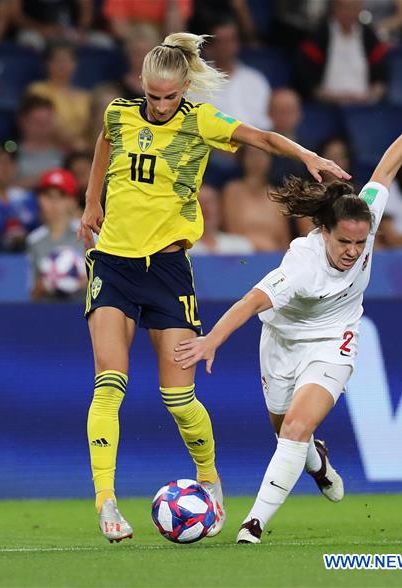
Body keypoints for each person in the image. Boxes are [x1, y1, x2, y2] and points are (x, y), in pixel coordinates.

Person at [77, 31, 348, 543]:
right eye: (153, 96)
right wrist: (92, 200)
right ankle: (106, 499)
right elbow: (105, 144)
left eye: (170, 97)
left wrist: (308, 156)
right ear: (141, 84)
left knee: (177, 398)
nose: (159, 106)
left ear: (183, 90)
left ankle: (209, 477)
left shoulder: (200, 122)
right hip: (112, 263)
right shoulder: (119, 112)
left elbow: (263, 139)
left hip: (168, 271)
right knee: (109, 381)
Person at [175, 82, 402, 544]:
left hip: (333, 340)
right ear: (324, 232)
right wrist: (211, 340)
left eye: (361, 243)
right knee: (288, 433)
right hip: (281, 343)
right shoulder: (302, 264)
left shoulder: (364, 220)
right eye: (345, 243)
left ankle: (252, 525)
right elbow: (251, 302)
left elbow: (386, 168)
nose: (354, 252)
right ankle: (316, 460)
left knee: (295, 427)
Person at [296, 0, 388, 105]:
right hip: (327, 106)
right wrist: (328, 96)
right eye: (345, 8)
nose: (349, 13)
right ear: (335, 8)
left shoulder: (369, 36)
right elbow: (306, 78)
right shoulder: (319, 35)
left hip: (363, 106)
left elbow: (382, 75)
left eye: (354, 8)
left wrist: (371, 96)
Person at [27, 168, 84, 301]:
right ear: (39, 199)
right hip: (48, 311)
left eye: (61, 196)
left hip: (84, 311)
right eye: (48, 196)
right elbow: (31, 292)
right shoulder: (34, 241)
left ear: (73, 201)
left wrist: (84, 281)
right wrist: (45, 284)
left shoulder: (88, 235)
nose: (54, 203)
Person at [222, 145, 291, 251]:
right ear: (243, 158)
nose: (257, 159)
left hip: (273, 256)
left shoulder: (277, 195)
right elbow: (232, 231)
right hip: (242, 254)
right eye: (252, 154)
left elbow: (284, 239)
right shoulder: (232, 190)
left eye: (263, 154)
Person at [27, 42, 92, 150]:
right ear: (47, 64)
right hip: (48, 147)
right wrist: (71, 142)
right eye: (58, 60)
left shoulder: (86, 96)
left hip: (82, 148)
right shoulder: (38, 90)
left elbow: (92, 126)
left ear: (75, 64)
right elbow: (40, 122)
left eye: (67, 60)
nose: (63, 65)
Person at [187, 183, 254, 255]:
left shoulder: (240, 246)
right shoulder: (182, 250)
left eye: (210, 202)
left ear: (220, 208)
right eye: (199, 203)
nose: (205, 209)